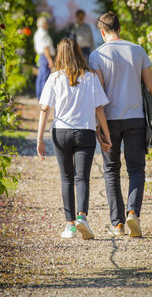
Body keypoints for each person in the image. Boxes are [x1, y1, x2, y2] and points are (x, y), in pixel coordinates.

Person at [37, 38, 111, 240]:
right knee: (82, 177)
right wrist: (107, 134)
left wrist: (39, 139)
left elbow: (45, 109)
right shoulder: (90, 77)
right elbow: (99, 109)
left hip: (61, 132)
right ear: (79, 53)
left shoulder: (54, 78)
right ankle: (82, 218)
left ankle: (69, 226)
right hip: (85, 132)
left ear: (60, 55)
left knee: (66, 178)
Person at [89, 11, 152, 238]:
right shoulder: (137, 50)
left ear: (101, 31)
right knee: (136, 169)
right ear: (119, 28)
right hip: (135, 117)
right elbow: (151, 86)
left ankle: (117, 224)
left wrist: (98, 128)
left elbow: (97, 94)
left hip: (109, 120)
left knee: (111, 170)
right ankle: (133, 212)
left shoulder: (97, 56)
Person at [34, 16, 55, 100]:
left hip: (41, 56)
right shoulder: (43, 33)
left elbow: (36, 48)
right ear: (43, 24)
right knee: (44, 77)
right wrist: (50, 59)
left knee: (40, 76)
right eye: (46, 23)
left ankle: (39, 96)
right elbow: (45, 47)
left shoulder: (37, 33)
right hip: (45, 56)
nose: (48, 25)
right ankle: (43, 97)